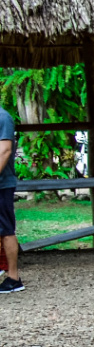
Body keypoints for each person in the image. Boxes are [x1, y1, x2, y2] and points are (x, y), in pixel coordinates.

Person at [0, 101, 19, 293]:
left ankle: (14, 278)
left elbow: (5, 150)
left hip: (2, 184)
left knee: (6, 230)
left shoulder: (3, 118)